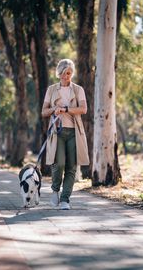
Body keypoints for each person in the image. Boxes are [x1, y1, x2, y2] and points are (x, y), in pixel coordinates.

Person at [41, 59, 89, 210]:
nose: (66, 76)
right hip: (58, 132)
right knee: (59, 163)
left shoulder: (78, 90)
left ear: (72, 74)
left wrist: (67, 109)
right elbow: (44, 112)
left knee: (71, 167)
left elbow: (83, 109)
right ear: (59, 73)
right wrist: (54, 108)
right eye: (63, 73)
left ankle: (65, 200)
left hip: (75, 132)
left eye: (69, 73)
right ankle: (55, 189)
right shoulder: (51, 90)